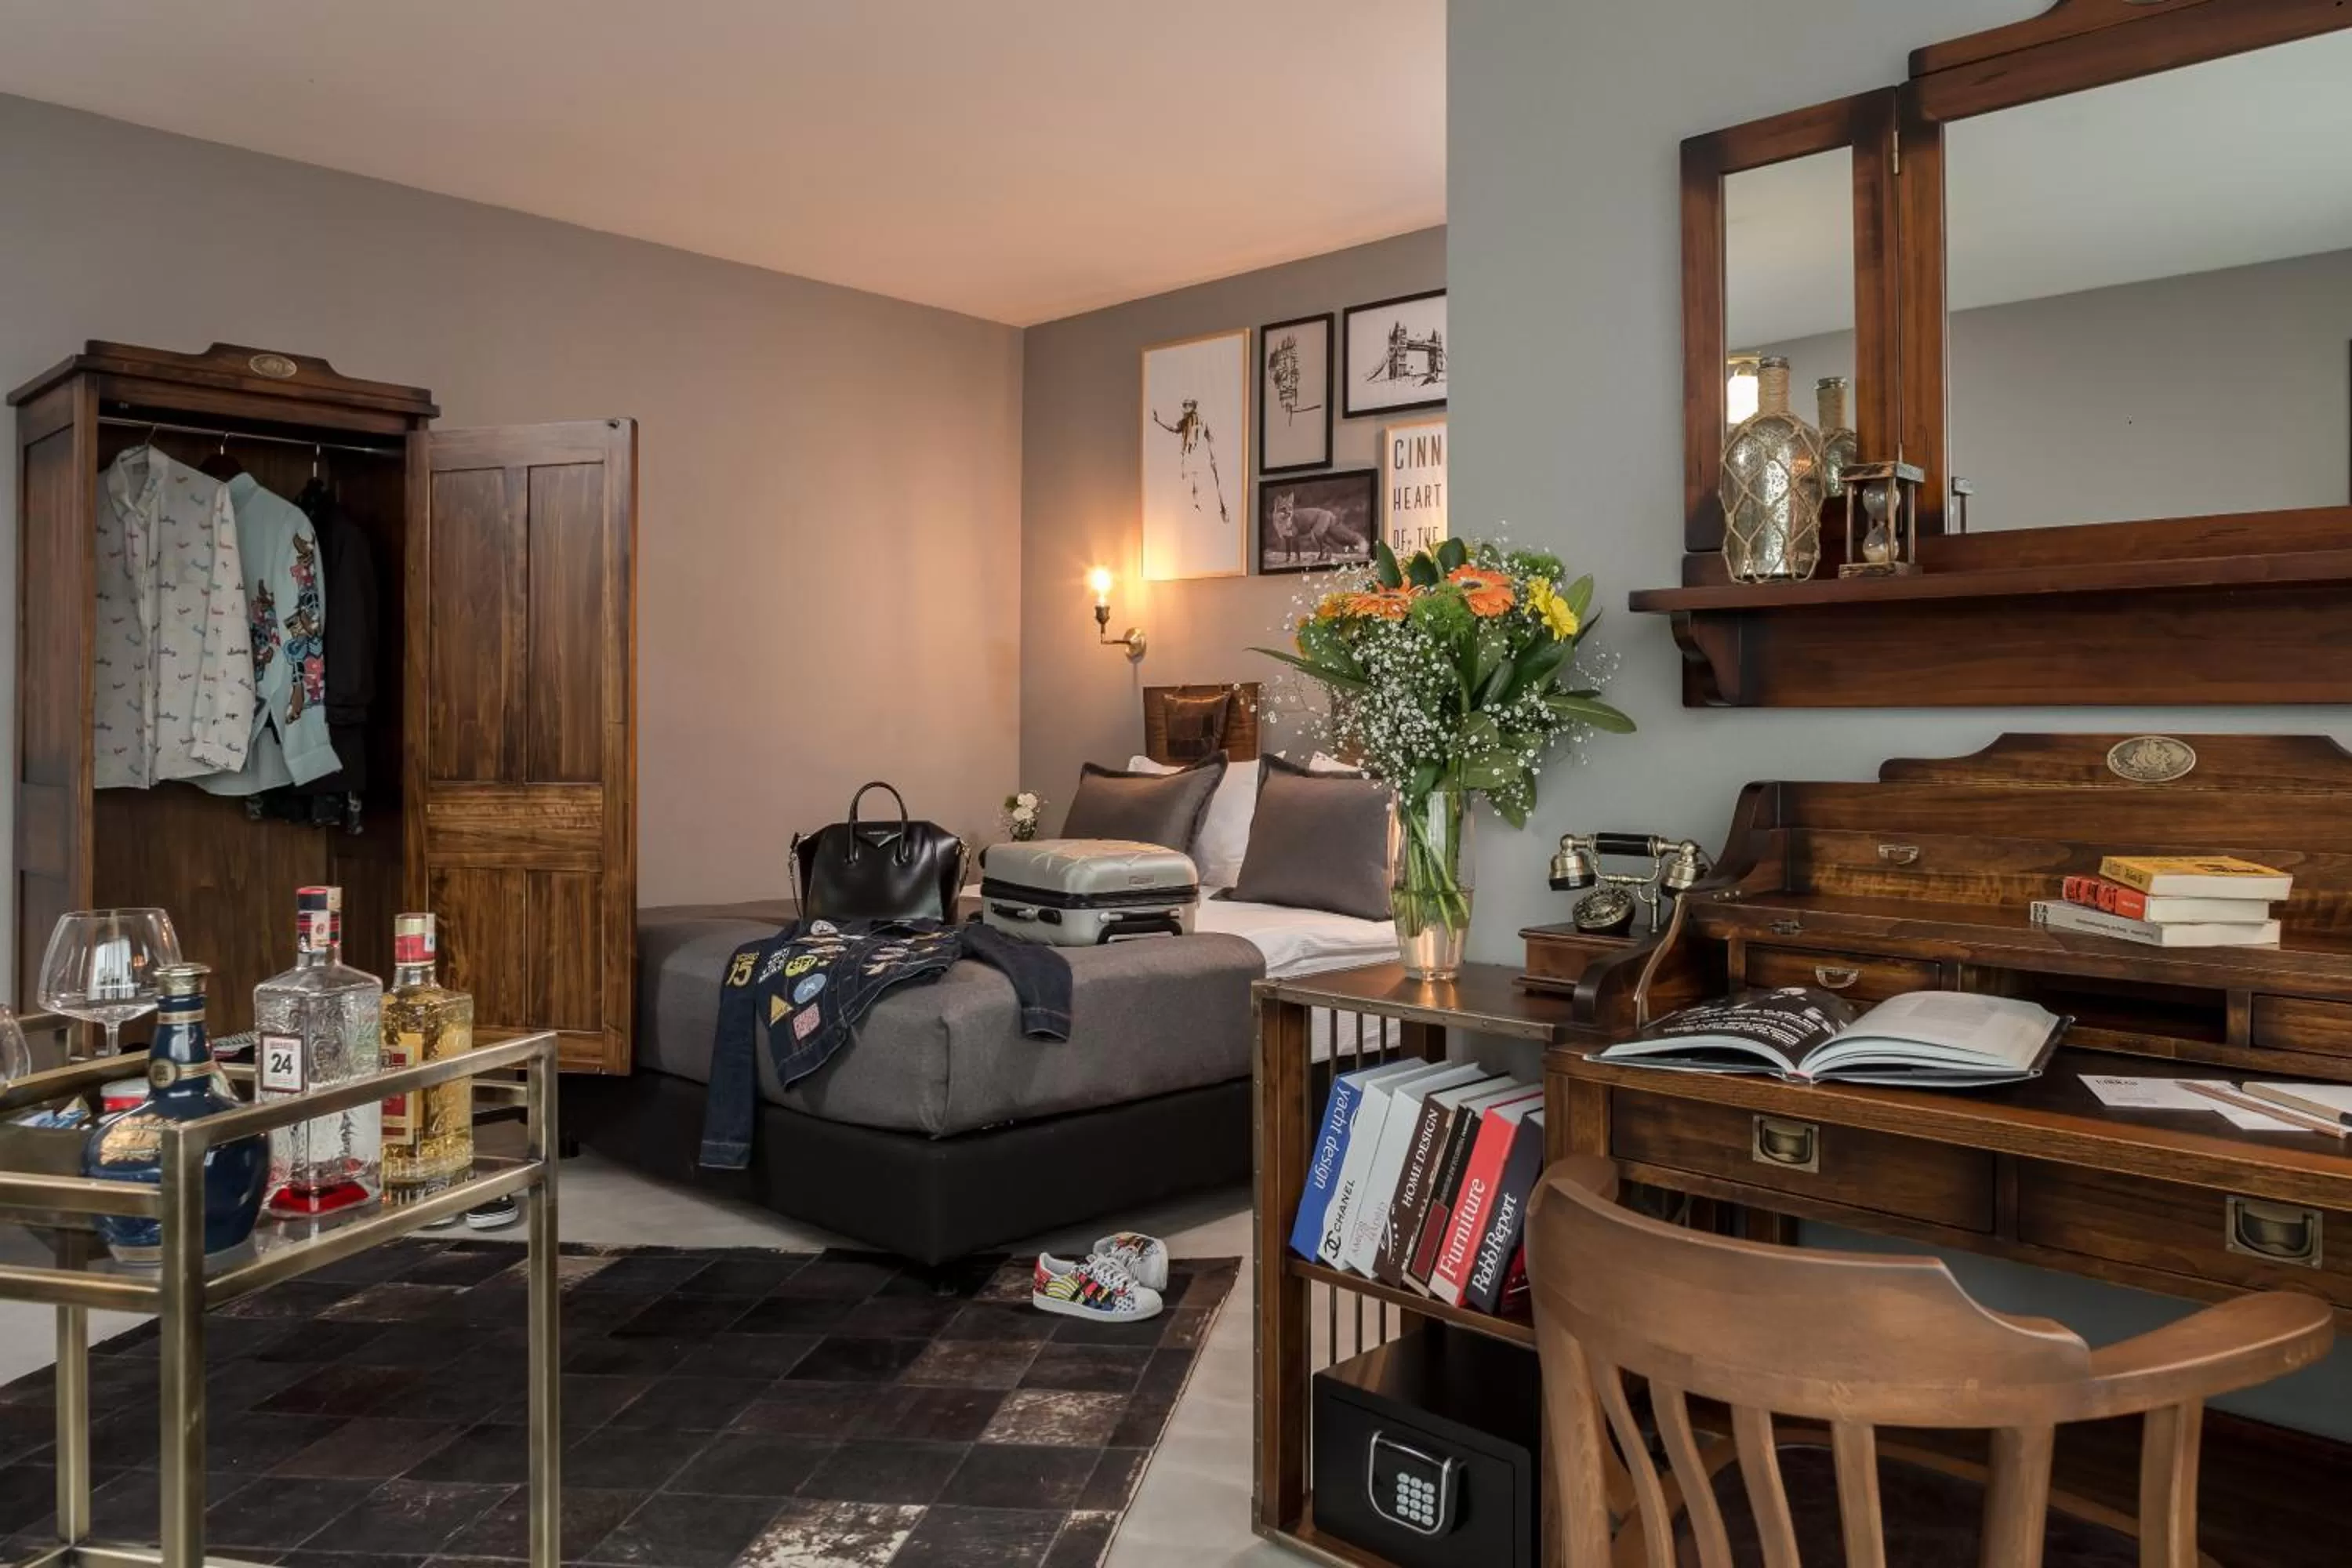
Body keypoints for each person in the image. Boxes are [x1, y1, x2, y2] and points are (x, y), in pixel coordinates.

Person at [1152, 397, 1231, 526]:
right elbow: (1174, 429)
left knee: (1203, 485)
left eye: (1188, 405)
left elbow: (1210, 438)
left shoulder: (1201, 420)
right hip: (1189, 457)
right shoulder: (1185, 421)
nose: (1185, 408)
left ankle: (1217, 511)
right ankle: (1196, 514)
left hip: (1199, 456)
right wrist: (1159, 420)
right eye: (1184, 405)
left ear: (1193, 406)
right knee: (1191, 486)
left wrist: (1213, 456)